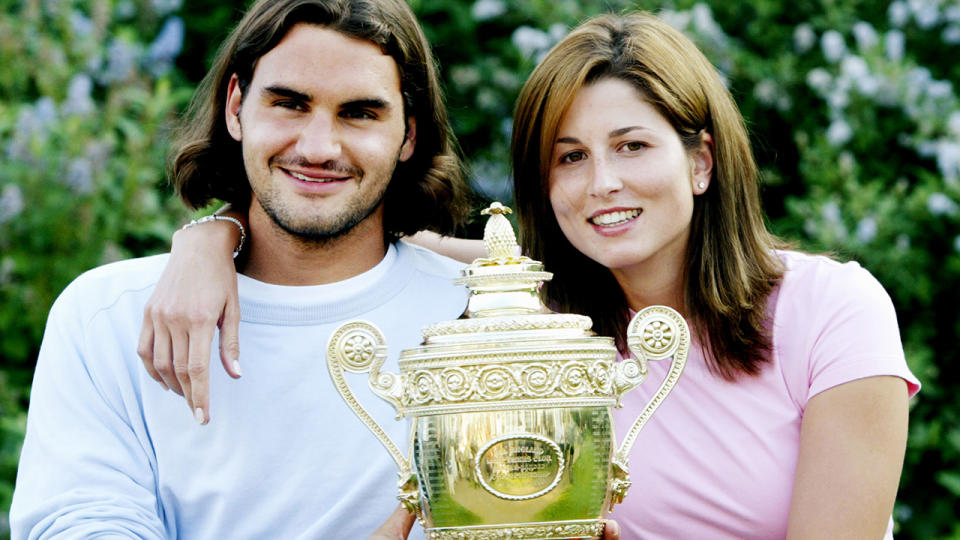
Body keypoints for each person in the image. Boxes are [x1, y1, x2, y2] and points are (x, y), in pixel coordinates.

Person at [132, 10, 918, 540]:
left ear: (702, 160)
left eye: (632, 146)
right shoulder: (533, 311)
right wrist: (209, 238)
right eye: (568, 158)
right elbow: (353, 231)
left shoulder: (829, 309)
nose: (601, 182)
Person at [10, 0, 475, 538]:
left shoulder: (478, 322)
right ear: (236, 107)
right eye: (289, 104)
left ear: (409, 135)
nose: (318, 147)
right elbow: (82, 523)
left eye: (360, 112)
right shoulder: (108, 315)